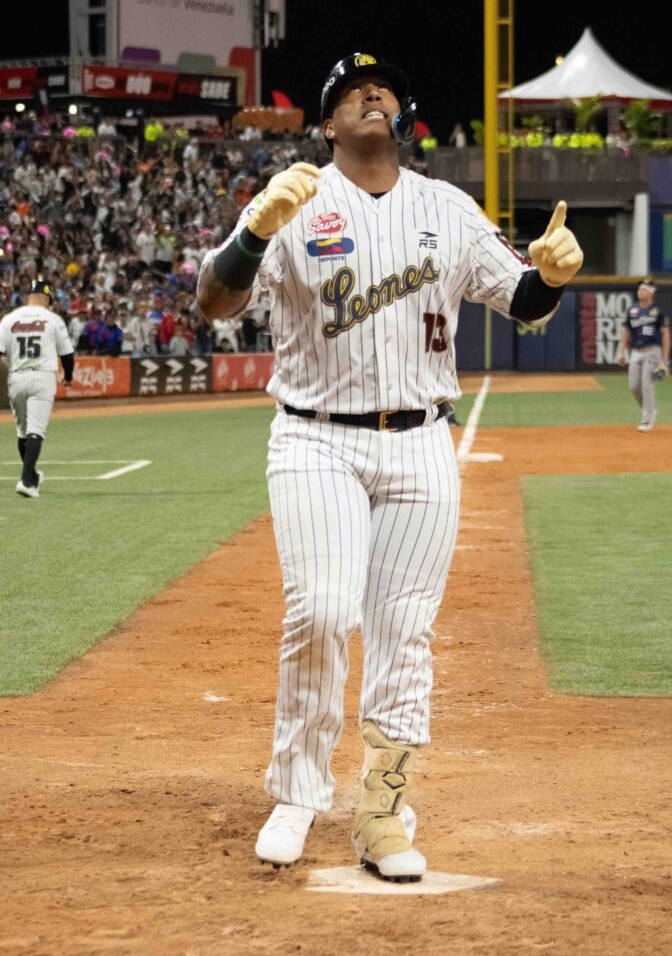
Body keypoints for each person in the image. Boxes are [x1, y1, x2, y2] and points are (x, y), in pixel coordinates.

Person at [196, 51, 584, 882]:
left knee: (403, 628)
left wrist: (550, 279)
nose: (369, 95)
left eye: (383, 90)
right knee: (322, 609)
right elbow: (215, 302)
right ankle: (297, 792)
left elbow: (518, 296)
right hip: (315, 438)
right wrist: (254, 229)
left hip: (418, 441)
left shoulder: (446, 207)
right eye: (349, 91)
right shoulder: (294, 200)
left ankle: (382, 809)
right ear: (326, 124)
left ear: (400, 116)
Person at [0, 279, 74, 498]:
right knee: (36, 431)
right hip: (42, 376)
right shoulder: (53, 319)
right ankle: (26, 482)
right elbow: (67, 354)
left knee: (23, 432)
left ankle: (32, 476)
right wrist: (68, 377)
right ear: (46, 298)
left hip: (16, 377)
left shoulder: (9, 319)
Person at [616, 278, 671, 431]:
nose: (640, 291)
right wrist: (621, 352)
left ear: (651, 293)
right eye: (639, 289)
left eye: (644, 289)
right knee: (634, 386)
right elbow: (626, 331)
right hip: (636, 351)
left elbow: (665, 334)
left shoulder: (657, 311)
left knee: (647, 384)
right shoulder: (632, 310)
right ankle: (649, 411)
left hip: (652, 351)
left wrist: (664, 359)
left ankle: (647, 419)